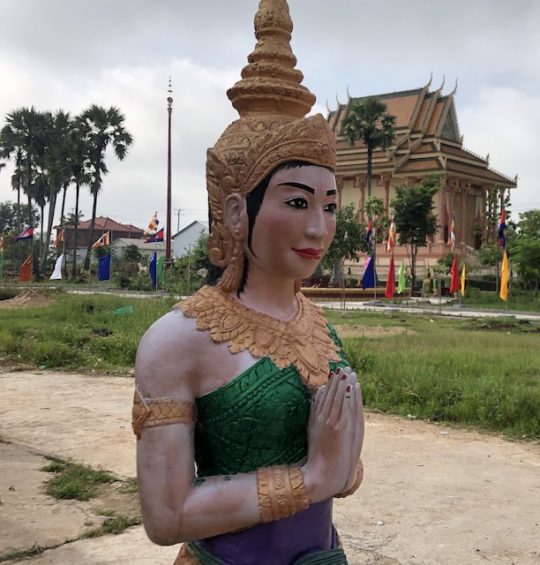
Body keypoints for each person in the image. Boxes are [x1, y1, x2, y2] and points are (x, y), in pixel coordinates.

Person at [132, 2, 363, 563]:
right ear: (236, 213)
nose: (318, 227)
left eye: (330, 206)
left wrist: (341, 466)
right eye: (296, 202)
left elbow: (345, 474)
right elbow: (166, 516)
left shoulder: (318, 325)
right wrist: (312, 477)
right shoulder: (177, 340)